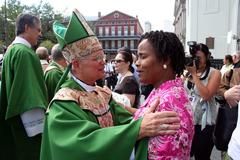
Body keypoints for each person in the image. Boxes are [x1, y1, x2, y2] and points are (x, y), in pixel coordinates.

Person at [40, 9, 181, 160]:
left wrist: (143, 119)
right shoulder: (63, 104)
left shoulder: (102, 94)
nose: (103, 61)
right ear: (75, 64)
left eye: (102, 56)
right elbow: (82, 146)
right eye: (96, 58)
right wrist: (137, 129)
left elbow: (126, 121)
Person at [133, 31, 194, 159]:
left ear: (165, 60)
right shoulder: (161, 90)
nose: (137, 63)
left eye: (143, 57)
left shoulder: (168, 102)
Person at [0, 13, 48, 160]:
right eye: (38, 30)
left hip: (15, 123)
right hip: (28, 128)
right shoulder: (25, 53)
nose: (40, 34)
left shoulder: (11, 50)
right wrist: (40, 130)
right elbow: (29, 95)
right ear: (27, 28)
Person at [184, 43, 221, 160]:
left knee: (202, 156)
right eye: (193, 57)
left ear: (207, 57)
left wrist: (194, 75)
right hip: (189, 121)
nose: (195, 61)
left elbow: (206, 95)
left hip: (205, 124)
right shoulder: (189, 72)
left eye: (198, 58)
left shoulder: (214, 73)